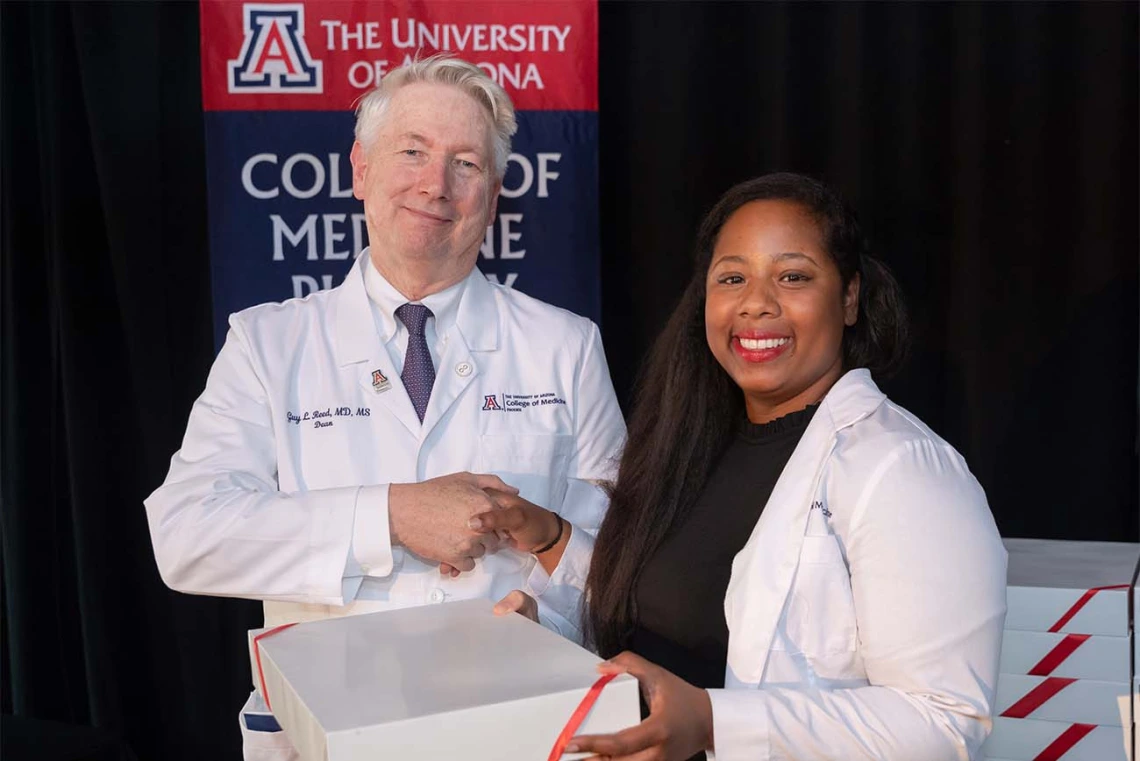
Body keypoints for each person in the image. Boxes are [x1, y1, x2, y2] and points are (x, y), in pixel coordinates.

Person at [144, 55, 623, 760]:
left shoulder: (566, 347)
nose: (436, 184)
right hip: (328, 738)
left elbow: (624, 562)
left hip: (518, 731)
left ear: (492, 198)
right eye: (412, 152)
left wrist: (549, 618)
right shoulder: (269, 343)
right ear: (361, 171)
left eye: (466, 164)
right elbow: (185, 536)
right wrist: (391, 514)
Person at [482, 173, 1007, 760]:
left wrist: (713, 723)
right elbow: (662, 620)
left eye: (793, 276)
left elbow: (944, 722)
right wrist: (551, 555)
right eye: (732, 278)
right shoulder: (690, 450)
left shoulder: (904, 469)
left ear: (850, 297)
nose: (756, 302)